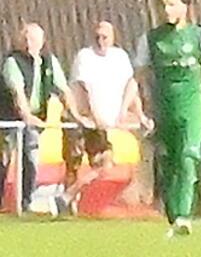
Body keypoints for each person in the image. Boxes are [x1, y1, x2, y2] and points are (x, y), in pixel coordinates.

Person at [134, 0, 201, 238]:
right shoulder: (151, 39)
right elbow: (138, 77)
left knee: (187, 158)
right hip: (163, 108)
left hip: (191, 108)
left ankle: (184, 214)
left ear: (185, 6)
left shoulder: (199, 36)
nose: (167, 10)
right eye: (163, 5)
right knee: (168, 162)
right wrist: (134, 109)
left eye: (172, 5)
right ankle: (174, 215)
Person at [65, 21, 143, 212]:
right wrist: (94, 116)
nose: (101, 41)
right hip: (83, 123)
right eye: (97, 37)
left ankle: (68, 195)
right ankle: (67, 203)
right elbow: (84, 89)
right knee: (73, 164)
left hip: (105, 125)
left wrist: (136, 113)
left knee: (105, 164)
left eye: (105, 37)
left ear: (113, 37)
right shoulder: (85, 57)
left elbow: (131, 86)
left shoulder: (120, 57)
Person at [0, 23, 73, 214]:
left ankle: (25, 203)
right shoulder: (12, 62)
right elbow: (18, 93)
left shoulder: (49, 61)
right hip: (9, 119)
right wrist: (26, 116)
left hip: (35, 119)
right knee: (4, 160)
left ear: (42, 41)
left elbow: (64, 90)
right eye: (25, 39)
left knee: (31, 159)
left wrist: (77, 115)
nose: (28, 43)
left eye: (32, 39)